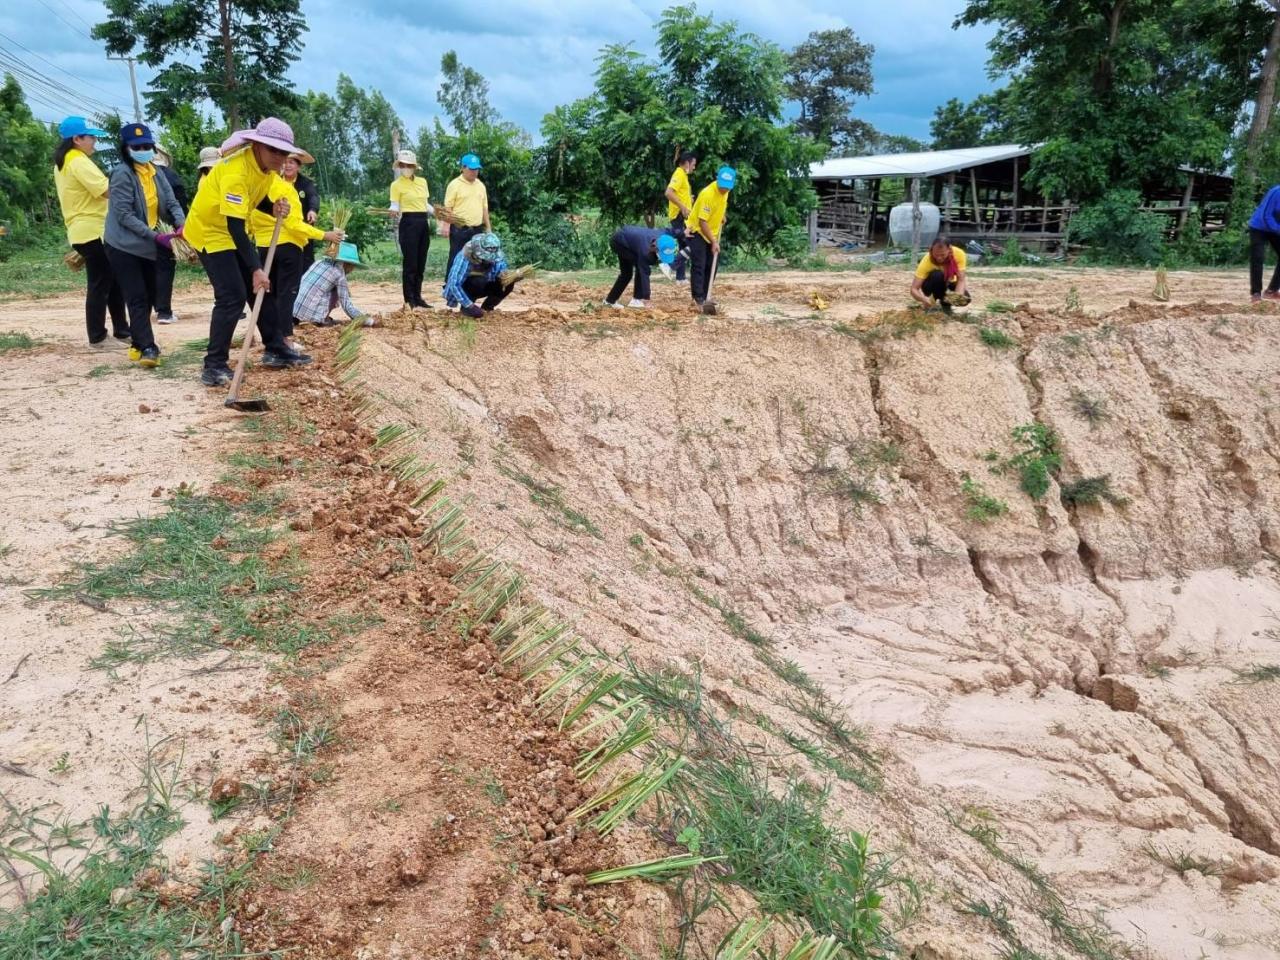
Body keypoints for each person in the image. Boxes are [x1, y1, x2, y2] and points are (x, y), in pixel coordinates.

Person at [183, 118, 312, 387]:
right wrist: (255, 269)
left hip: (230, 230)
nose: (280, 158)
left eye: (283, 152)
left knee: (259, 292)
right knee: (232, 295)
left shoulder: (264, 169)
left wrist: (271, 208)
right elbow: (235, 226)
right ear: (257, 145)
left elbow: (257, 199)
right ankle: (214, 365)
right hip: (210, 231)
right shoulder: (236, 172)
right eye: (273, 151)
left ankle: (275, 348)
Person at [102, 123, 186, 368]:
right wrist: (154, 236)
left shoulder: (156, 172)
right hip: (123, 245)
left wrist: (180, 225)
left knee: (150, 294)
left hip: (149, 244)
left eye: (147, 146)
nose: (143, 150)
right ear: (127, 149)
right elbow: (123, 214)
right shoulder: (121, 174)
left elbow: (172, 203)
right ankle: (149, 347)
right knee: (136, 295)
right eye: (137, 147)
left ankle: (138, 343)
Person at [250, 153, 343, 350]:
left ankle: (273, 339)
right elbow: (293, 225)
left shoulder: (257, 187)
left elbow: (250, 218)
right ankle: (286, 339)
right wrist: (324, 235)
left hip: (264, 246)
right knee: (286, 294)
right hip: (287, 247)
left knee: (271, 294)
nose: (286, 165)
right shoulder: (285, 189)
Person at [52, 115, 127, 345]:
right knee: (100, 283)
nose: (94, 141)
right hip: (93, 231)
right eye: (91, 137)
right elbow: (106, 191)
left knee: (112, 281)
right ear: (77, 139)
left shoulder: (65, 162)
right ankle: (97, 337)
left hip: (87, 231)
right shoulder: (78, 161)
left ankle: (122, 330)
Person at [389, 149, 434, 310]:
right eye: (403, 165)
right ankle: (409, 300)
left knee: (421, 262)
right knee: (411, 263)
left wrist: (439, 213)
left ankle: (418, 296)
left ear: (414, 167)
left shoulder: (422, 182)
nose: (406, 167)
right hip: (408, 223)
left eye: (409, 165)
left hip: (423, 222)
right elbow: (395, 204)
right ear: (399, 166)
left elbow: (425, 204)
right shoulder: (396, 185)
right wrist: (393, 210)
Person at [442, 153, 490, 302]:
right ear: (463, 168)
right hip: (459, 229)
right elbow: (448, 207)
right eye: (471, 169)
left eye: (477, 169)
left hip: (477, 230)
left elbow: (484, 209)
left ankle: (470, 290)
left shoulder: (480, 185)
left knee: (476, 260)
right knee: (456, 258)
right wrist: (446, 225)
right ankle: (450, 289)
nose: (474, 172)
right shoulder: (454, 185)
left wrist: (488, 228)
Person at [293, 241, 373, 329]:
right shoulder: (338, 274)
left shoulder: (318, 263)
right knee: (336, 292)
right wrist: (367, 321)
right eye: (353, 266)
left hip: (293, 311)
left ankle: (319, 317)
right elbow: (347, 306)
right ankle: (321, 320)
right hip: (309, 317)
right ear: (347, 264)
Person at [689, 165, 736, 306]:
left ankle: (705, 295)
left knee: (712, 266)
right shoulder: (707, 194)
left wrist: (722, 215)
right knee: (700, 265)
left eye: (727, 187)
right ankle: (698, 298)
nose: (724, 190)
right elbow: (702, 222)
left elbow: (721, 205)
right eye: (723, 186)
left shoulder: (726, 191)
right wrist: (714, 242)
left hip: (712, 232)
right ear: (717, 180)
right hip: (697, 230)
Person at [151, 148, 187, 325]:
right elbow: (178, 203)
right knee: (165, 268)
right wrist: (180, 227)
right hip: (166, 231)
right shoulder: (171, 176)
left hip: (142, 230)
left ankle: (152, 306)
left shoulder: (138, 174)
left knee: (148, 268)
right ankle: (163, 311)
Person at [444, 232, 517, 318]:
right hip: (469, 286)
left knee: (508, 283)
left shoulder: (495, 252)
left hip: (486, 283)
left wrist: (509, 275)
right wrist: (470, 306)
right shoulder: (465, 257)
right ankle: (466, 308)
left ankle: (487, 307)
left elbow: (501, 269)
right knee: (478, 281)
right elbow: (454, 284)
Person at [605, 228, 679, 309]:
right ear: (656, 249)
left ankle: (610, 301)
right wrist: (646, 298)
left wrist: (684, 232)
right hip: (619, 242)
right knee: (632, 271)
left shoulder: (663, 236)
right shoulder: (645, 252)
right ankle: (637, 300)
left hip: (627, 239)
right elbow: (645, 273)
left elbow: (673, 230)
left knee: (628, 273)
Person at [910, 236, 970, 313]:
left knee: (965, 299)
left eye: (942, 255)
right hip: (931, 285)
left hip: (950, 282)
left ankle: (945, 304)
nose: (939, 258)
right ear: (932, 249)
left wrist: (957, 297)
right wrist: (923, 299)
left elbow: (961, 279)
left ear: (949, 249)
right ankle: (931, 302)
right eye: (936, 254)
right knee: (938, 275)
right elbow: (914, 289)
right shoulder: (927, 260)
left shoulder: (959, 254)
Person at [664, 150, 697, 282]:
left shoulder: (683, 176)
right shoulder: (679, 173)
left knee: (684, 244)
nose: (694, 167)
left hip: (682, 215)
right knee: (690, 243)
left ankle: (680, 277)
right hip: (679, 216)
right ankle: (669, 265)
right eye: (693, 164)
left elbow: (680, 195)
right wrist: (683, 207)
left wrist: (689, 200)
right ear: (687, 163)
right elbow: (669, 192)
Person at [1248, 185, 1280, 303]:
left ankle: (1271, 291)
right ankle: (1256, 293)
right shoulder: (1276, 192)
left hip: (1276, 229)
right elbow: (1266, 215)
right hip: (1259, 227)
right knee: (1258, 257)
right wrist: (1278, 229)